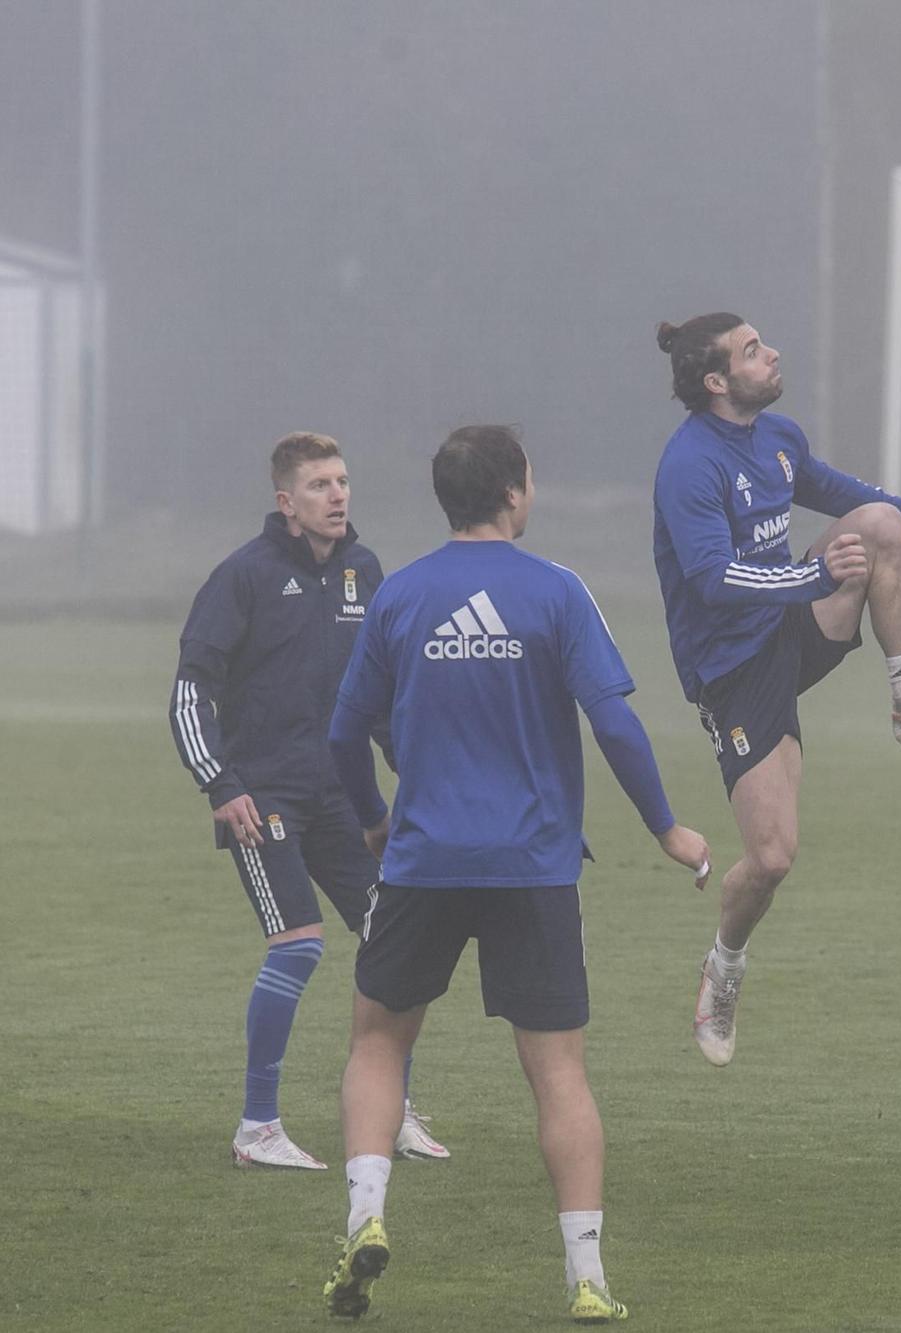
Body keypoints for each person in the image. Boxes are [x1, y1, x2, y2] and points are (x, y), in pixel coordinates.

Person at [320, 425, 711, 1323]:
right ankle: (587, 1277)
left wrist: (376, 820)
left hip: (422, 861)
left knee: (378, 1041)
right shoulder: (557, 591)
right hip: (534, 867)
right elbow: (614, 724)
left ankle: (366, 1216)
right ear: (514, 491)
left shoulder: (402, 595)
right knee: (559, 1074)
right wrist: (666, 827)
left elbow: (344, 734)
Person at [651, 313, 901, 1067]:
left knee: (875, 524)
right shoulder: (689, 465)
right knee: (771, 858)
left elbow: (839, 490)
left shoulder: (778, 435)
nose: (771, 354)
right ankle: (724, 969)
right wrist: (811, 576)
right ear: (716, 382)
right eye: (751, 351)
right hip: (732, 668)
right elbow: (711, 578)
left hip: (790, 624)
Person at [170, 432, 448, 1170]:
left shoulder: (365, 571)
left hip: (343, 798)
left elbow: (383, 695)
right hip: (264, 799)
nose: (339, 495)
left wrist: (413, 772)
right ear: (285, 501)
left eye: (344, 481)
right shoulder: (243, 577)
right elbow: (190, 690)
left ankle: (389, 1113)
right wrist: (221, 786)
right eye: (321, 484)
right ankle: (257, 1126)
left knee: (398, 945)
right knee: (299, 947)